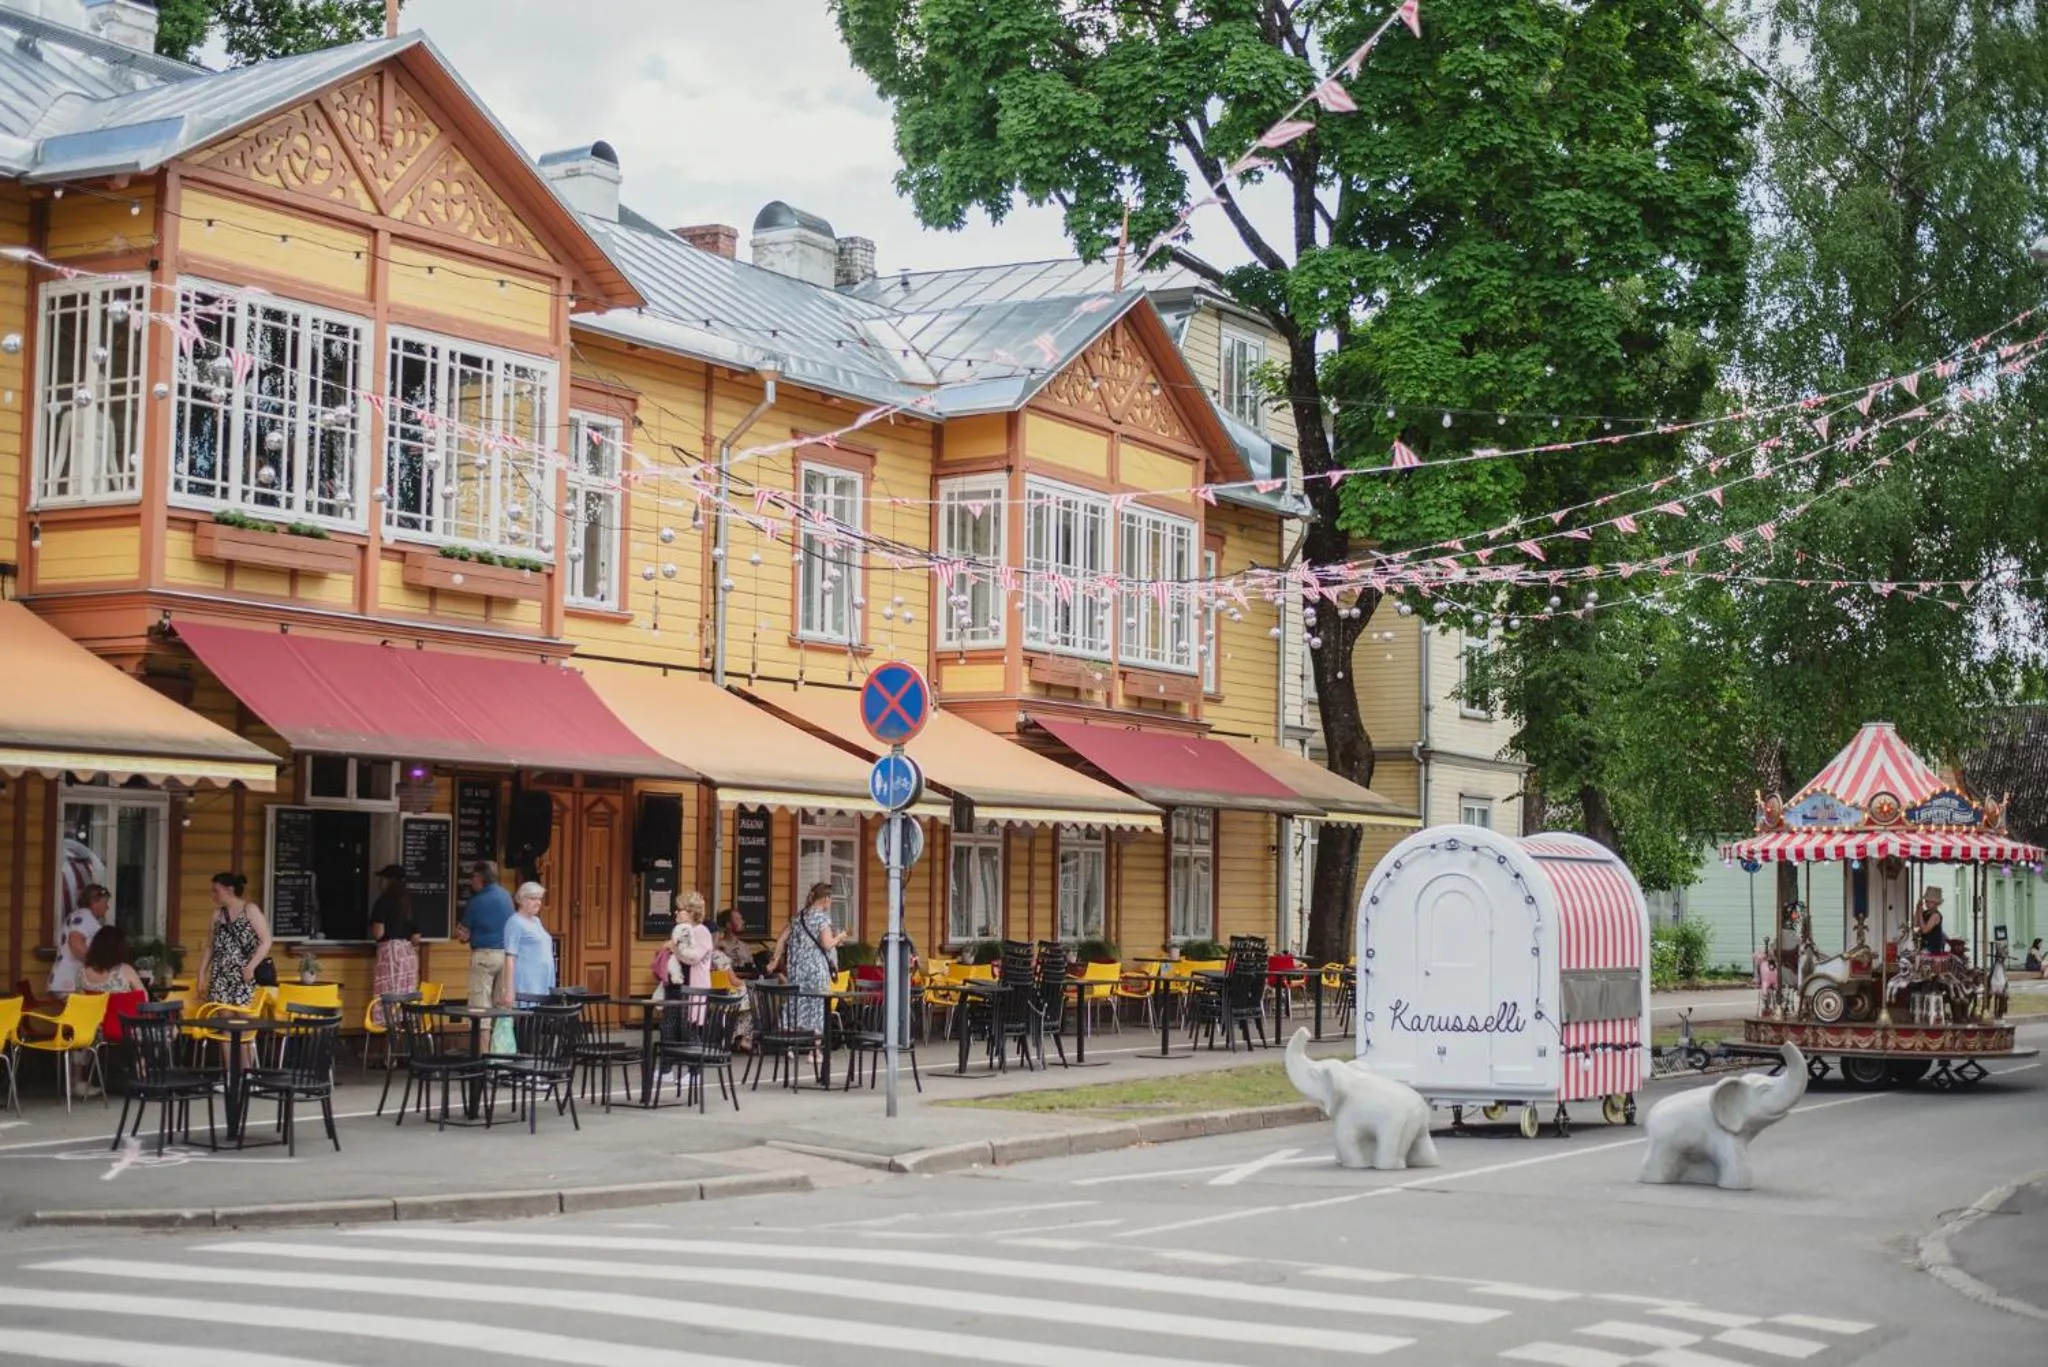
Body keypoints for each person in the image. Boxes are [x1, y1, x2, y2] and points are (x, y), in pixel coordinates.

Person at [772, 882, 842, 1050]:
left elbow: (781, 940)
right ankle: (815, 1051)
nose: (831, 902)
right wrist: (840, 937)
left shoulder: (798, 917)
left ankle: (790, 1046)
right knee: (817, 1007)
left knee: (795, 1003)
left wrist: (775, 960)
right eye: (830, 899)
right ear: (825, 899)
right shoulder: (822, 918)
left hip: (797, 970)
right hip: (816, 970)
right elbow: (826, 944)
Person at [198, 871, 271, 1008]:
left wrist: (251, 967)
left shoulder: (250, 910)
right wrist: (201, 973)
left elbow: (266, 941)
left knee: (244, 1019)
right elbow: (210, 946)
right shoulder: (217, 915)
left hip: (244, 974)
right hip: (221, 975)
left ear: (229, 890)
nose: (213, 895)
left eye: (216, 891)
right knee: (224, 1018)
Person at [453, 861, 516, 1008]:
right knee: (500, 1004)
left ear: (479, 877)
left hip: (484, 956)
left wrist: (459, 933)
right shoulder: (507, 896)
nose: (470, 881)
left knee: (480, 1005)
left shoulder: (476, 902)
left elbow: (464, 935)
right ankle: (499, 1031)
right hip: (505, 956)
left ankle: (483, 1031)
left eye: (472, 876)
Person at [369, 864, 421, 1025]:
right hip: (408, 953)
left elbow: (379, 932)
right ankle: (405, 1037)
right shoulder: (410, 902)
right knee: (405, 997)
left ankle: (389, 1037)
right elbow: (416, 938)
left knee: (388, 998)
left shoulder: (382, 902)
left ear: (387, 881)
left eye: (382, 879)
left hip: (389, 953)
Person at [47, 888, 107, 998]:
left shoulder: (79, 915)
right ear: (94, 902)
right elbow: (75, 943)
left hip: (64, 978)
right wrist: (95, 965)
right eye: (105, 902)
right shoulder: (85, 917)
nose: (107, 907)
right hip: (70, 980)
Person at [503, 882, 556, 1004]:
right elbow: (510, 958)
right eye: (533, 898)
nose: (538, 902)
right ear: (521, 899)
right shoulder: (515, 922)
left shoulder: (536, 921)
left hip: (543, 984)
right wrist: (509, 992)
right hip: (527, 986)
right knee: (527, 1021)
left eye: (539, 899)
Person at [79, 925, 146, 997]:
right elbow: (143, 997)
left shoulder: (82, 973)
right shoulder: (125, 970)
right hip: (119, 1008)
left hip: (92, 1008)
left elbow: (78, 1000)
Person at [1915, 887, 1947, 954]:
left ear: (1936, 903)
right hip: (1924, 946)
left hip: (1932, 949)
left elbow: (1925, 930)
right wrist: (1917, 910)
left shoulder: (1936, 915)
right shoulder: (1926, 913)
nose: (1927, 903)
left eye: (1930, 901)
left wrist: (1920, 914)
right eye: (1926, 901)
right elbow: (1916, 924)